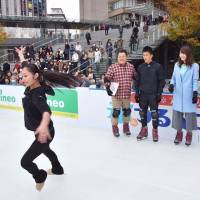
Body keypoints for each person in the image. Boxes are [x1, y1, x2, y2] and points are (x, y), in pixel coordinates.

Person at [15, 47, 81, 191]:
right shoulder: (34, 85)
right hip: (43, 131)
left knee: (25, 162)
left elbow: (46, 112)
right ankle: (57, 169)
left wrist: (43, 126)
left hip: (45, 132)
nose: (22, 78)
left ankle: (40, 176)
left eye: (25, 76)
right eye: (22, 75)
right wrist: (21, 54)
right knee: (46, 150)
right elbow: (26, 65)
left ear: (35, 76)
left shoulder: (37, 95)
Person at [168, 45, 199, 146]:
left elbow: (195, 80)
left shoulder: (194, 66)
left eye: (184, 53)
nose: (181, 55)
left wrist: (195, 92)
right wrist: (172, 84)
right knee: (177, 115)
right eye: (180, 53)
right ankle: (179, 133)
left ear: (188, 54)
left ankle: (189, 134)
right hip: (178, 94)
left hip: (188, 95)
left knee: (190, 116)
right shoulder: (177, 65)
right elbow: (173, 77)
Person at [135, 46, 165, 142]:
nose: (145, 57)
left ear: (151, 55)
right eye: (143, 55)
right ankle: (144, 130)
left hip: (153, 95)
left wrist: (159, 93)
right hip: (143, 94)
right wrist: (136, 93)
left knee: (154, 114)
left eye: (146, 55)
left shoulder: (158, 66)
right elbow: (137, 81)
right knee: (142, 113)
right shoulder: (140, 67)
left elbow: (162, 81)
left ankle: (155, 131)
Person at [104, 49, 137, 137]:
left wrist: (138, 87)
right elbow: (107, 78)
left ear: (126, 57)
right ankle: (115, 128)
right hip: (116, 95)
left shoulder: (131, 67)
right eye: (119, 56)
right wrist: (108, 87)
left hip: (126, 94)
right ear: (117, 57)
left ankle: (126, 128)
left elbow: (136, 77)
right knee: (116, 112)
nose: (121, 58)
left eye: (123, 56)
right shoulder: (113, 67)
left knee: (127, 112)